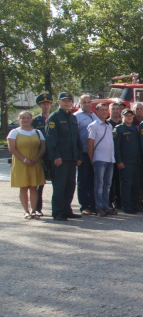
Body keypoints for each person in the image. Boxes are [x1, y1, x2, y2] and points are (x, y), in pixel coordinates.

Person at [45, 93, 82, 221]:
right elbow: (51, 138)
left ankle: (67, 209)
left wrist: (78, 156)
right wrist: (56, 155)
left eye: (69, 101)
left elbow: (76, 138)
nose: (67, 103)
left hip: (71, 157)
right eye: (64, 101)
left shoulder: (72, 118)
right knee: (59, 186)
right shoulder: (54, 117)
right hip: (60, 158)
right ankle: (58, 212)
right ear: (58, 102)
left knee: (70, 185)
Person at [7, 111, 46, 219]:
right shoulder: (14, 132)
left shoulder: (37, 132)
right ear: (19, 119)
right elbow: (12, 148)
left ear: (31, 119)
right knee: (23, 187)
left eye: (28, 117)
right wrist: (24, 160)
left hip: (35, 162)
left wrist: (36, 158)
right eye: (23, 118)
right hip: (21, 163)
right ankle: (26, 211)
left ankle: (34, 210)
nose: (26, 120)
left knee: (34, 187)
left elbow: (43, 147)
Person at [86, 104, 116, 216]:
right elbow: (90, 143)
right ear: (97, 111)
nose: (104, 112)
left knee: (107, 185)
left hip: (110, 159)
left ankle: (105, 205)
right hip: (99, 158)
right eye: (101, 110)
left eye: (105, 110)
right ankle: (98, 207)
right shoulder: (93, 125)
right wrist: (92, 158)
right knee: (99, 185)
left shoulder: (109, 126)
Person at [75, 93, 100, 215]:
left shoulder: (94, 115)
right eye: (84, 102)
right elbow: (75, 137)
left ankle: (93, 204)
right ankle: (84, 205)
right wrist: (78, 155)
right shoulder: (77, 117)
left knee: (93, 180)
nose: (87, 104)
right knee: (83, 180)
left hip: (95, 153)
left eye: (89, 102)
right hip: (83, 153)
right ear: (80, 104)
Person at [114, 109, 142, 214]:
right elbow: (116, 147)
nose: (129, 117)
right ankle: (126, 206)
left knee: (136, 185)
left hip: (136, 162)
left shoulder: (135, 128)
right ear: (122, 117)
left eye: (131, 115)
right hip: (125, 162)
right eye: (127, 116)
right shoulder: (119, 129)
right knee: (126, 185)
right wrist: (119, 161)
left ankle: (135, 205)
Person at [31, 93, 53, 217]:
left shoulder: (54, 118)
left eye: (48, 103)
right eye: (43, 104)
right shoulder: (35, 121)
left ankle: (59, 208)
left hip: (54, 153)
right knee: (39, 183)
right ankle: (37, 208)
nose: (46, 106)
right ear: (40, 105)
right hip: (41, 154)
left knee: (58, 182)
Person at [107, 102, 123, 210]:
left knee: (119, 181)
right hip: (108, 157)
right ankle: (108, 202)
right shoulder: (106, 124)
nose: (116, 111)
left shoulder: (123, 124)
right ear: (110, 110)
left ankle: (119, 203)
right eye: (113, 109)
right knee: (109, 182)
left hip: (121, 157)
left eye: (117, 109)